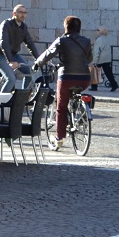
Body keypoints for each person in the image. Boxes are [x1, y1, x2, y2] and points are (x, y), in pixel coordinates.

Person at [34, 16, 92, 150]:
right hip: (84, 79)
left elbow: (48, 53)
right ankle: (80, 114)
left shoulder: (62, 40)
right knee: (75, 96)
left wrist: (37, 64)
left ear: (66, 27)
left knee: (61, 106)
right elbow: (89, 59)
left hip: (67, 77)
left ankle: (59, 138)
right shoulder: (86, 41)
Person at [0, 4, 42, 94]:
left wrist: (39, 59)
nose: (23, 15)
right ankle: (0, 101)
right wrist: (10, 61)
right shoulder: (6, 24)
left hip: (13, 55)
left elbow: (30, 44)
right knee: (11, 79)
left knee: (29, 73)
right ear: (14, 13)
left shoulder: (23, 27)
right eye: (20, 12)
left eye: (25, 13)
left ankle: (22, 98)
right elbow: (4, 43)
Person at [91, 26, 118, 92]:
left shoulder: (99, 40)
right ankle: (114, 84)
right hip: (106, 58)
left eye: (98, 30)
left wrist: (94, 61)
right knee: (108, 73)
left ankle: (94, 87)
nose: (96, 31)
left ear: (101, 32)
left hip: (100, 59)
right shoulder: (106, 39)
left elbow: (97, 51)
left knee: (95, 72)